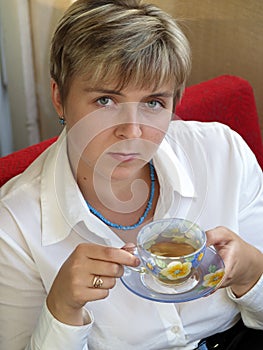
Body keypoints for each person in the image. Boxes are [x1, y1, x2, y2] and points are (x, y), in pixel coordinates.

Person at [0, 0, 263, 349]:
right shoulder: (14, 226)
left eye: (153, 102)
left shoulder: (223, 152)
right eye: (105, 100)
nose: (133, 131)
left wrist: (252, 272)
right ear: (59, 99)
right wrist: (62, 309)